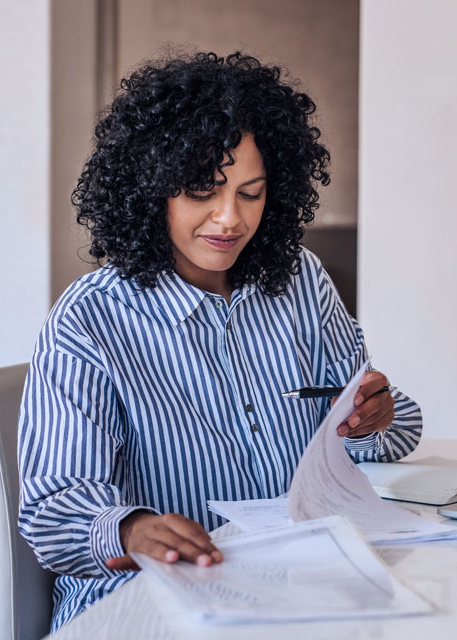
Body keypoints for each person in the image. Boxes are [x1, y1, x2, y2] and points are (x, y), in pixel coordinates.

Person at [18, 52, 422, 632]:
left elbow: (371, 440)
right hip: (142, 604)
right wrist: (131, 529)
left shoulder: (302, 282)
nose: (228, 218)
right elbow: (55, 504)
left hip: (294, 590)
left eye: (251, 193)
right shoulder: (91, 316)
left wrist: (373, 418)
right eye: (202, 191)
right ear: (151, 188)